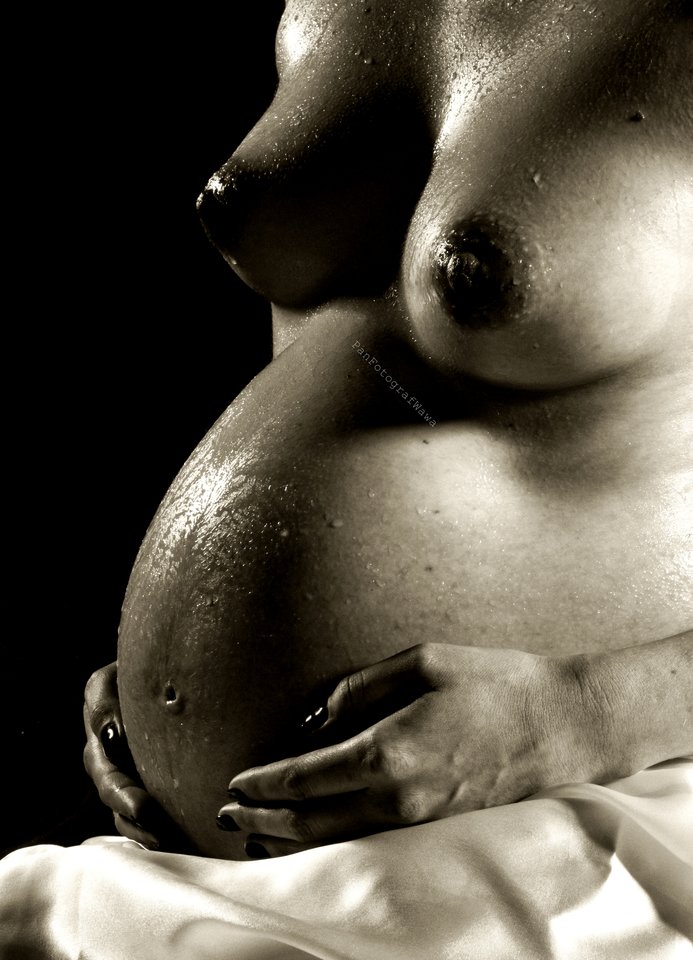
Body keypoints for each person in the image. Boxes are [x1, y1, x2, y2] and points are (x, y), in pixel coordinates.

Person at [2, 0, 691, 955]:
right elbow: (335, 363)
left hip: (559, 835)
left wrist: (582, 711)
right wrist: (181, 673)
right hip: (207, 871)